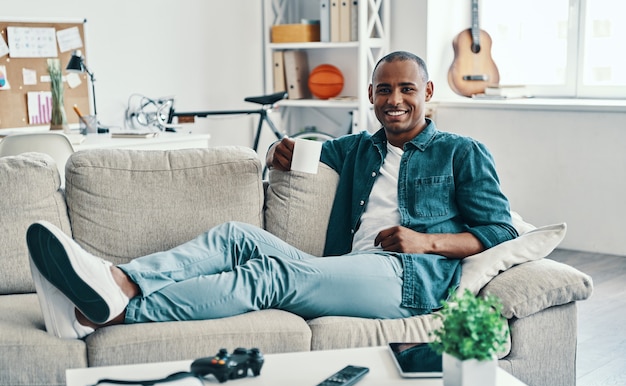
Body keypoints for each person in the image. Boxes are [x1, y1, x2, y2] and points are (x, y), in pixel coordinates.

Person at [26, 51, 517, 339]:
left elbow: (501, 231)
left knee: (272, 276)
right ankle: (121, 279)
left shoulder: (461, 152)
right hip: (353, 266)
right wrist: (276, 152)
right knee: (236, 236)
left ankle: (107, 311)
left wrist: (426, 242)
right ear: (370, 96)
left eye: (407, 89)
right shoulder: (358, 149)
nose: (395, 100)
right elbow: (303, 153)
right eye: (384, 90)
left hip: (411, 282)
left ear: (427, 91)